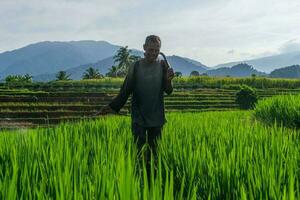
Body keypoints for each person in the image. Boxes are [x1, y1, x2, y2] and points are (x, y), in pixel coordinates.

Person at [101, 35, 174, 175]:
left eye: (157, 50)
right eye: (151, 49)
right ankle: (138, 180)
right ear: (144, 48)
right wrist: (112, 107)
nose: (153, 53)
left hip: (157, 118)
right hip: (139, 117)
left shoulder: (163, 65)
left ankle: (152, 181)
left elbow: (168, 90)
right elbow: (126, 90)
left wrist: (169, 79)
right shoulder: (136, 66)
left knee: (155, 155)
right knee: (139, 153)